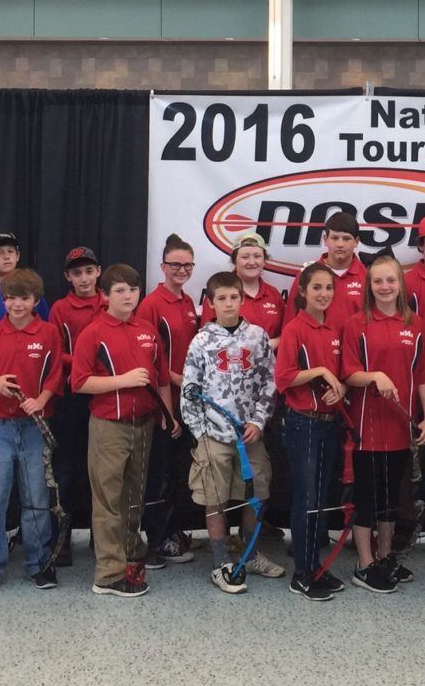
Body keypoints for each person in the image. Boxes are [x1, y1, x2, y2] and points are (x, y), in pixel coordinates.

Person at [71, 264, 178, 598]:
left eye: (133, 290)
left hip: (144, 424)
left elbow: (161, 379)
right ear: (104, 296)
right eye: (119, 290)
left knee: (135, 495)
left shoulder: (147, 329)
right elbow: (79, 382)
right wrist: (123, 381)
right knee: (108, 500)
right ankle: (108, 574)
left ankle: (131, 551)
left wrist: (168, 416)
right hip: (109, 426)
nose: (128, 296)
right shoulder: (93, 332)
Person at [182, 272, 283, 595]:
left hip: (249, 435)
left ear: (242, 299)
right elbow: (190, 389)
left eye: (234, 297)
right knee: (214, 499)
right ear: (210, 303)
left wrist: (258, 421)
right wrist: (201, 432)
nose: (228, 303)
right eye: (221, 298)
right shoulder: (201, 340)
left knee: (256, 495)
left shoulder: (257, 337)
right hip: (214, 436)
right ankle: (220, 561)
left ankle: (250, 554)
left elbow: (270, 382)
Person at [341, 255, 425, 594]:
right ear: (369, 286)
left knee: (392, 497)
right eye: (378, 281)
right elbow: (348, 374)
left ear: (400, 284)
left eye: (390, 281)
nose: (384, 287)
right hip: (367, 428)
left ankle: (384, 556)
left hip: (401, 426)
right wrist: (375, 376)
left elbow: (422, 375)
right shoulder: (356, 324)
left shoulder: (416, 324)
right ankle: (364, 564)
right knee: (367, 496)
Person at [0, 269, 64, 596]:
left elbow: (56, 375)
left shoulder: (49, 332)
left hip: (34, 428)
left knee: (36, 498)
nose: (17, 304)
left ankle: (39, 562)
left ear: (36, 300)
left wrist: (40, 400)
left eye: (24, 298)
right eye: (10, 298)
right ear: (3, 300)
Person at [275, 263, 347, 601]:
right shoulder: (294, 329)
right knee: (305, 498)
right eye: (317, 287)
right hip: (302, 423)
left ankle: (316, 566)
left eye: (328, 288)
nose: (323, 294)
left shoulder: (335, 328)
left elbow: (341, 374)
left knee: (320, 498)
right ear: (303, 291)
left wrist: (339, 390)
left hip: (330, 423)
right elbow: (284, 377)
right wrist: (316, 370)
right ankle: (302, 573)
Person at [137, 234, 200, 568]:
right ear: (162, 267)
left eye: (188, 264)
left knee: (178, 472)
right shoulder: (151, 304)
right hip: (164, 405)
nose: (182, 269)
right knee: (159, 474)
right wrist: (167, 407)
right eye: (175, 264)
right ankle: (157, 540)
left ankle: (173, 533)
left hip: (187, 403)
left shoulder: (188, 303)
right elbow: (148, 357)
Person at [47, 246, 106, 566]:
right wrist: (86, 364)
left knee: (103, 470)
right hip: (70, 399)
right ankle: (62, 539)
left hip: (105, 397)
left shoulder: (110, 303)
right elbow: (55, 352)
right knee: (65, 471)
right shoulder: (60, 309)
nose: (84, 278)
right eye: (77, 273)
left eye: (89, 271)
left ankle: (103, 537)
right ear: (68, 277)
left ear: (98, 272)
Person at [283, 212, 367, 332]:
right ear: (325, 240)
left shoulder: (368, 277)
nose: (340, 244)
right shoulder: (306, 275)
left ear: (356, 242)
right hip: (315, 348)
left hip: (354, 349)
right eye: (335, 238)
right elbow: (290, 323)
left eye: (346, 239)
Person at [202, 233, 285, 349]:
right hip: (230, 364)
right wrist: (260, 347)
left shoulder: (273, 294)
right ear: (235, 261)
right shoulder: (219, 293)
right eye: (245, 257)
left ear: (264, 261)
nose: (251, 262)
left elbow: (286, 334)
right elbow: (207, 340)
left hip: (270, 365)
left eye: (257, 256)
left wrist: (276, 342)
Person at [0, 231, 50, 348]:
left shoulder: (31, 289)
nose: (6, 256)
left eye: (10, 251)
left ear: (18, 256)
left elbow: (46, 328)